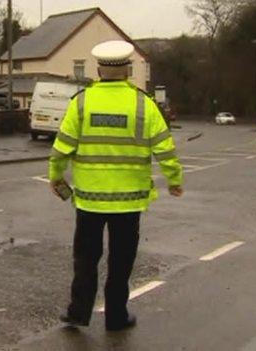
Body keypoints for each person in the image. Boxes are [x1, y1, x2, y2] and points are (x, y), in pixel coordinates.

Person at [48, 40, 184, 331]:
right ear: (127, 70)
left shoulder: (81, 103)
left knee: (85, 259)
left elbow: (62, 148)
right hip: (128, 202)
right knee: (121, 261)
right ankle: (116, 317)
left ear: (98, 70)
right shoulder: (143, 104)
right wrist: (174, 180)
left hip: (89, 201)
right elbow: (165, 148)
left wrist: (55, 176)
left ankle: (78, 312)